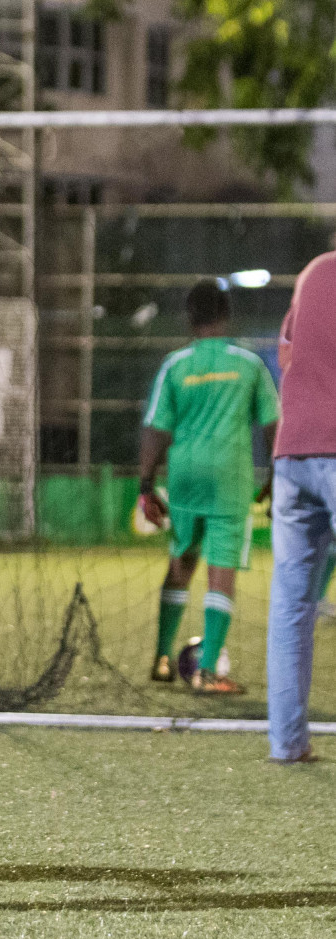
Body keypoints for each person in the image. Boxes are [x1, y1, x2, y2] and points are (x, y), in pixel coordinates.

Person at [138, 280, 279, 695]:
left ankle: (163, 659)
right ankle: (208, 671)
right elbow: (273, 426)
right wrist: (276, 475)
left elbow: (155, 429)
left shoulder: (175, 364)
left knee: (181, 563)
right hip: (228, 478)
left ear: (189, 317)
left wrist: (146, 485)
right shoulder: (248, 363)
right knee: (222, 571)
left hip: (183, 477)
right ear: (226, 314)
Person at [267, 249, 336, 764]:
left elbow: (286, 354)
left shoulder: (313, 270)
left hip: (292, 452)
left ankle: (288, 743)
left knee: (292, 607)